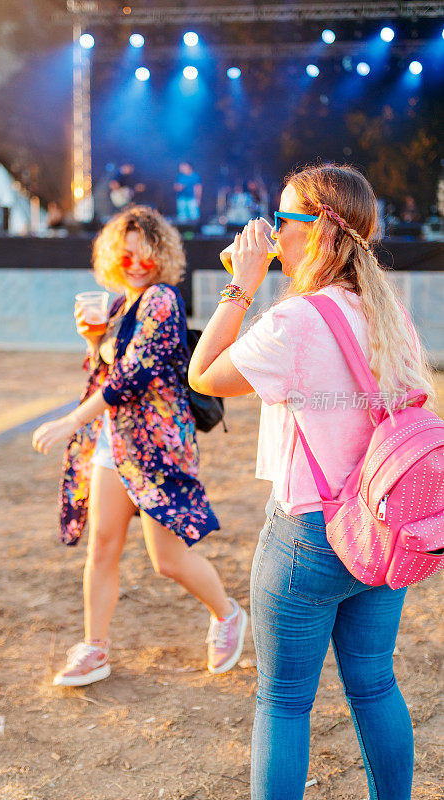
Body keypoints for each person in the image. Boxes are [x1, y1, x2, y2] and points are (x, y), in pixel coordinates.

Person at [188, 164, 435, 800]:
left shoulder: (295, 322)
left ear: (319, 231)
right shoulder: (390, 316)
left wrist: (239, 287)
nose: (270, 237)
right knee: (375, 683)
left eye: (281, 222)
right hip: (382, 530)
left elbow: (203, 374)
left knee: (284, 703)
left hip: (308, 537)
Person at [32, 205, 247, 687]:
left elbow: (132, 376)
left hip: (157, 448)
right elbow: (106, 370)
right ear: (112, 258)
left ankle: (227, 614)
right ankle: (95, 649)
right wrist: (93, 341)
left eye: (145, 254)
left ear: (162, 254)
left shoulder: (161, 302)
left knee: (166, 560)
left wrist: (71, 419)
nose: (135, 263)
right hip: (114, 443)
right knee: (102, 546)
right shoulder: (116, 307)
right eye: (125, 255)